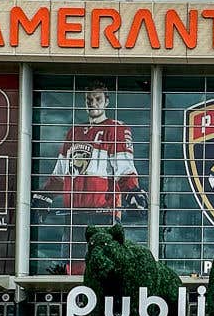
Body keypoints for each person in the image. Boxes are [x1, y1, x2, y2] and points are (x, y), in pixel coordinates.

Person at [32, 81, 148, 227]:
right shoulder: (74, 132)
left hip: (103, 213)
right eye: (89, 100)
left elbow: (125, 171)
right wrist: (46, 194)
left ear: (106, 101)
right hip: (73, 214)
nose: (93, 103)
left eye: (98, 99)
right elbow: (60, 174)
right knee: (72, 251)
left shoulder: (116, 129)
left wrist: (132, 192)